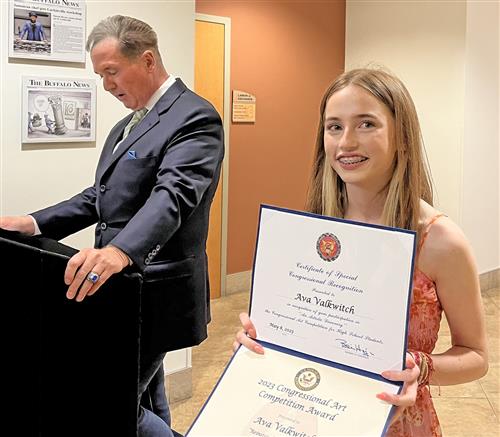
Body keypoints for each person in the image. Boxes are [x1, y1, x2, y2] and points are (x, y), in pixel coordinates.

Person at [1, 14, 224, 437]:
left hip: (159, 287)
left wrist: (120, 250)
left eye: (111, 72)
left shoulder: (195, 117)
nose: (106, 86)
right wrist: (33, 223)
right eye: (101, 75)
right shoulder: (129, 124)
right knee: (146, 396)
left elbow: (173, 198)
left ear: (146, 60)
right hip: (125, 291)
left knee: (110, 403)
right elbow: (98, 198)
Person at [234, 68, 488, 437]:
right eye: (334, 127)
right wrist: (263, 339)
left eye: (366, 124)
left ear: (401, 136)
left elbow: (476, 357)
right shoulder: (313, 233)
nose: (346, 142)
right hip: (315, 415)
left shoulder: (439, 240)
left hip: (396, 422)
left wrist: (419, 367)